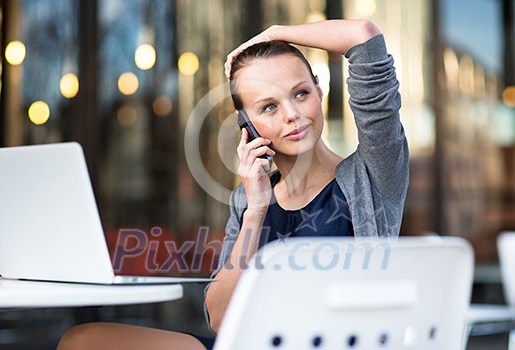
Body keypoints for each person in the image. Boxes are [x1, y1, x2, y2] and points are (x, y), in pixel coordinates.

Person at [57, 18, 408, 350]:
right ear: (247, 126)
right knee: (83, 339)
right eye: (269, 107)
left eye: (300, 93)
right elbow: (220, 318)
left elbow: (363, 34)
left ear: (319, 90)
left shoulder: (374, 173)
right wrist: (255, 212)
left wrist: (274, 32)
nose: (292, 114)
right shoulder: (248, 200)